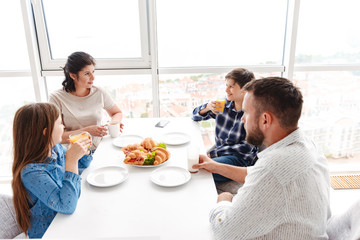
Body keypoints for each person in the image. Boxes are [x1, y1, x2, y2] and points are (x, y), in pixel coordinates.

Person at [194, 77, 331, 239]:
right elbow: (260, 173)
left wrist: (224, 200)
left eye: (245, 112)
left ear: (265, 119)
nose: (242, 119)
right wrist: (215, 166)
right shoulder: (307, 144)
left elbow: (224, 232)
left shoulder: (273, 168)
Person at [11, 103, 93, 238]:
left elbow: (80, 168)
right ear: (46, 132)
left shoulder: (56, 149)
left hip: (65, 223)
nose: (64, 127)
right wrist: (71, 160)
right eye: (60, 123)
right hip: (50, 233)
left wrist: (83, 150)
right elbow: (67, 206)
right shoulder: (31, 173)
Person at [192, 68, 258, 183]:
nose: (226, 90)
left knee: (202, 171)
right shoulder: (223, 105)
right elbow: (195, 116)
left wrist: (214, 154)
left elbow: (246, 147)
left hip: (241, 160)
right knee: (194, 165)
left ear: (244, 89)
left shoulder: (253, 113)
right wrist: (208, 107)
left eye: (231, 87)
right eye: (226, 85)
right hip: (221, 154)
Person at [49, 51, 123, 149]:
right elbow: (55, 137)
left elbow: (116, 112)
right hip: (72, 153)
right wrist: (86, 131)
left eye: (93, 72)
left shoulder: (99, 92)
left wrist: (113, 123)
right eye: (87, 73)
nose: (93, 77)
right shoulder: (56, 98)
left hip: (99, 148)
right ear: (73, 76)